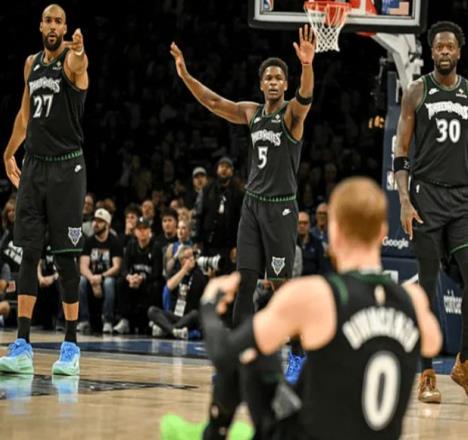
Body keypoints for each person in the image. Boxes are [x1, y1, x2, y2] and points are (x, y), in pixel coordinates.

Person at [162, 177, 442, 439]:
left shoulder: (318, 295)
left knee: (253, 355)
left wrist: (209, 306)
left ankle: (214, 433)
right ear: (383, 233)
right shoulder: (412, 300)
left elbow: (225, 354)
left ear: (334, 231)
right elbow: (433, 342)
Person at [170, 26, 315, 328]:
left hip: (280, 208)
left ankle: (298, 349)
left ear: (285, 85)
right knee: (245, 280)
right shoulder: (252, 113)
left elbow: (305, 98)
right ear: (261, 84)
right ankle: (240, 349)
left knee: (280, 285)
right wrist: (185, 76)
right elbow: (214, 102)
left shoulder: (291, 115)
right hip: (252, 205)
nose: (273, 82)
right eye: (268, 78)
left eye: (278, 78)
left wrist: (306, 65)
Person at [0, 3, 89, 376]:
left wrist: (79, 50)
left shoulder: (72, 60)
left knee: (66, 259)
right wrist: (9, 152)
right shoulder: (30, 64)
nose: (53, 26)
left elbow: (79, 65)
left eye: (58, 22)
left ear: (65, 28)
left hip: (67, 168)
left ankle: (71, 346)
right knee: (28, 254)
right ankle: (22, 345)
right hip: (34, 166)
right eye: (48, 20)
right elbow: (25, 115)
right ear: (40, 26)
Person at [394, 20, 468, 402]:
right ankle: (426, 373)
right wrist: (404, 200)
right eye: (439, 46)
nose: (444, 51)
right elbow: (401, 152)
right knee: (427, 285)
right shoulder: (417, 91)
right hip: (425, 198)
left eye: (450, 46)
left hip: (462, 200)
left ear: (459, 52)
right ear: (432, 50)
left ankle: (463, 364)